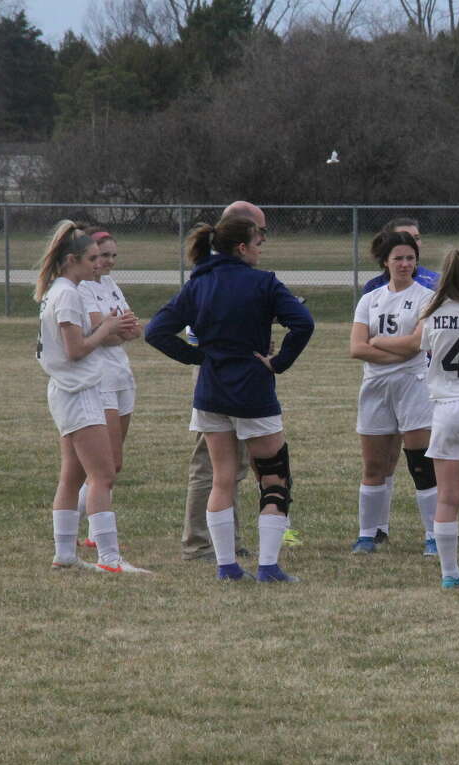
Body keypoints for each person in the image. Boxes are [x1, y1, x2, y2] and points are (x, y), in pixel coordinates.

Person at [146, 214, 314, 582]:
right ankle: (268, 567)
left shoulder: (199, 282)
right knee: (274, 477)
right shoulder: (263, 282)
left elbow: (155, 331)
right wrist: (278, 363)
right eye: (258, 242)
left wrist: (200, 357)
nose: (261, 248)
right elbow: (304, 323)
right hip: (253, 390)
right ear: (242, 247)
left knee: (222, 478)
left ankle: (227, 566)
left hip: (211, 393)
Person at [370, 249, 459, 588]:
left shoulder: (432, 314)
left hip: (447, 410)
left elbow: (419, 345)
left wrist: (377, 339)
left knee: (447, 497)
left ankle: (450, 574)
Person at [34, 220, 148, 574]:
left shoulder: (60, 289)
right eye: (93, 257)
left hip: (70, 390)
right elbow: (75, 350)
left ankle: (64, 554)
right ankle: (110, 559)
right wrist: (107, 329)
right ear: (72, 260)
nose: (98, 263)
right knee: (103, 475)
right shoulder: (68, 293)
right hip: (78, 390)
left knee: (72, 476)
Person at [179, 201, 266, 562]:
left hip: (235, 370)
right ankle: (199, 541)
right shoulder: (213, 271)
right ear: (241, 237)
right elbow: (192, 329)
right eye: (260, 233)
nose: (264, 240)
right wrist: (204, 356)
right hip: (220, 374)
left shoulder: (229, 269)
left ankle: (226, 538)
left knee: (235, 463)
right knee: (213, 463)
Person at [348, 230, 438, 555]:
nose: (404, 264)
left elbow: (416, 345)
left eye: (410, 258)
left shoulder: (427, 297)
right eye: (398, 258)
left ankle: (433, 536)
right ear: (385, 262)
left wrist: (379, 342)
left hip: (413, 386)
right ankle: (367, 535)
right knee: (373, 466)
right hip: (375, 387)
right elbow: (356, 348)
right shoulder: (369, 299)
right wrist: (393, 351)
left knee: (420, 464)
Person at [74, 228, 141, 548]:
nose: (107, 262)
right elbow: (101, 329)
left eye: (112, 255)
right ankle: (73, 523)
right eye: (101, 255)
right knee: (106, 465)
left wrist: (117, 328)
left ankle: (89, 530)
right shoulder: (81, 288)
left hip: (121, 375)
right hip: (100, 379)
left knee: (115, 463)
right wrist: (115, 329)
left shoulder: (111, 284)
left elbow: (129, 327)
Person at [361, 217, 439, 294]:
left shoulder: (434, 282)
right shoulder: (373, 287)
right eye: (405, 237)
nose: (412, 243)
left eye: (416, 238)